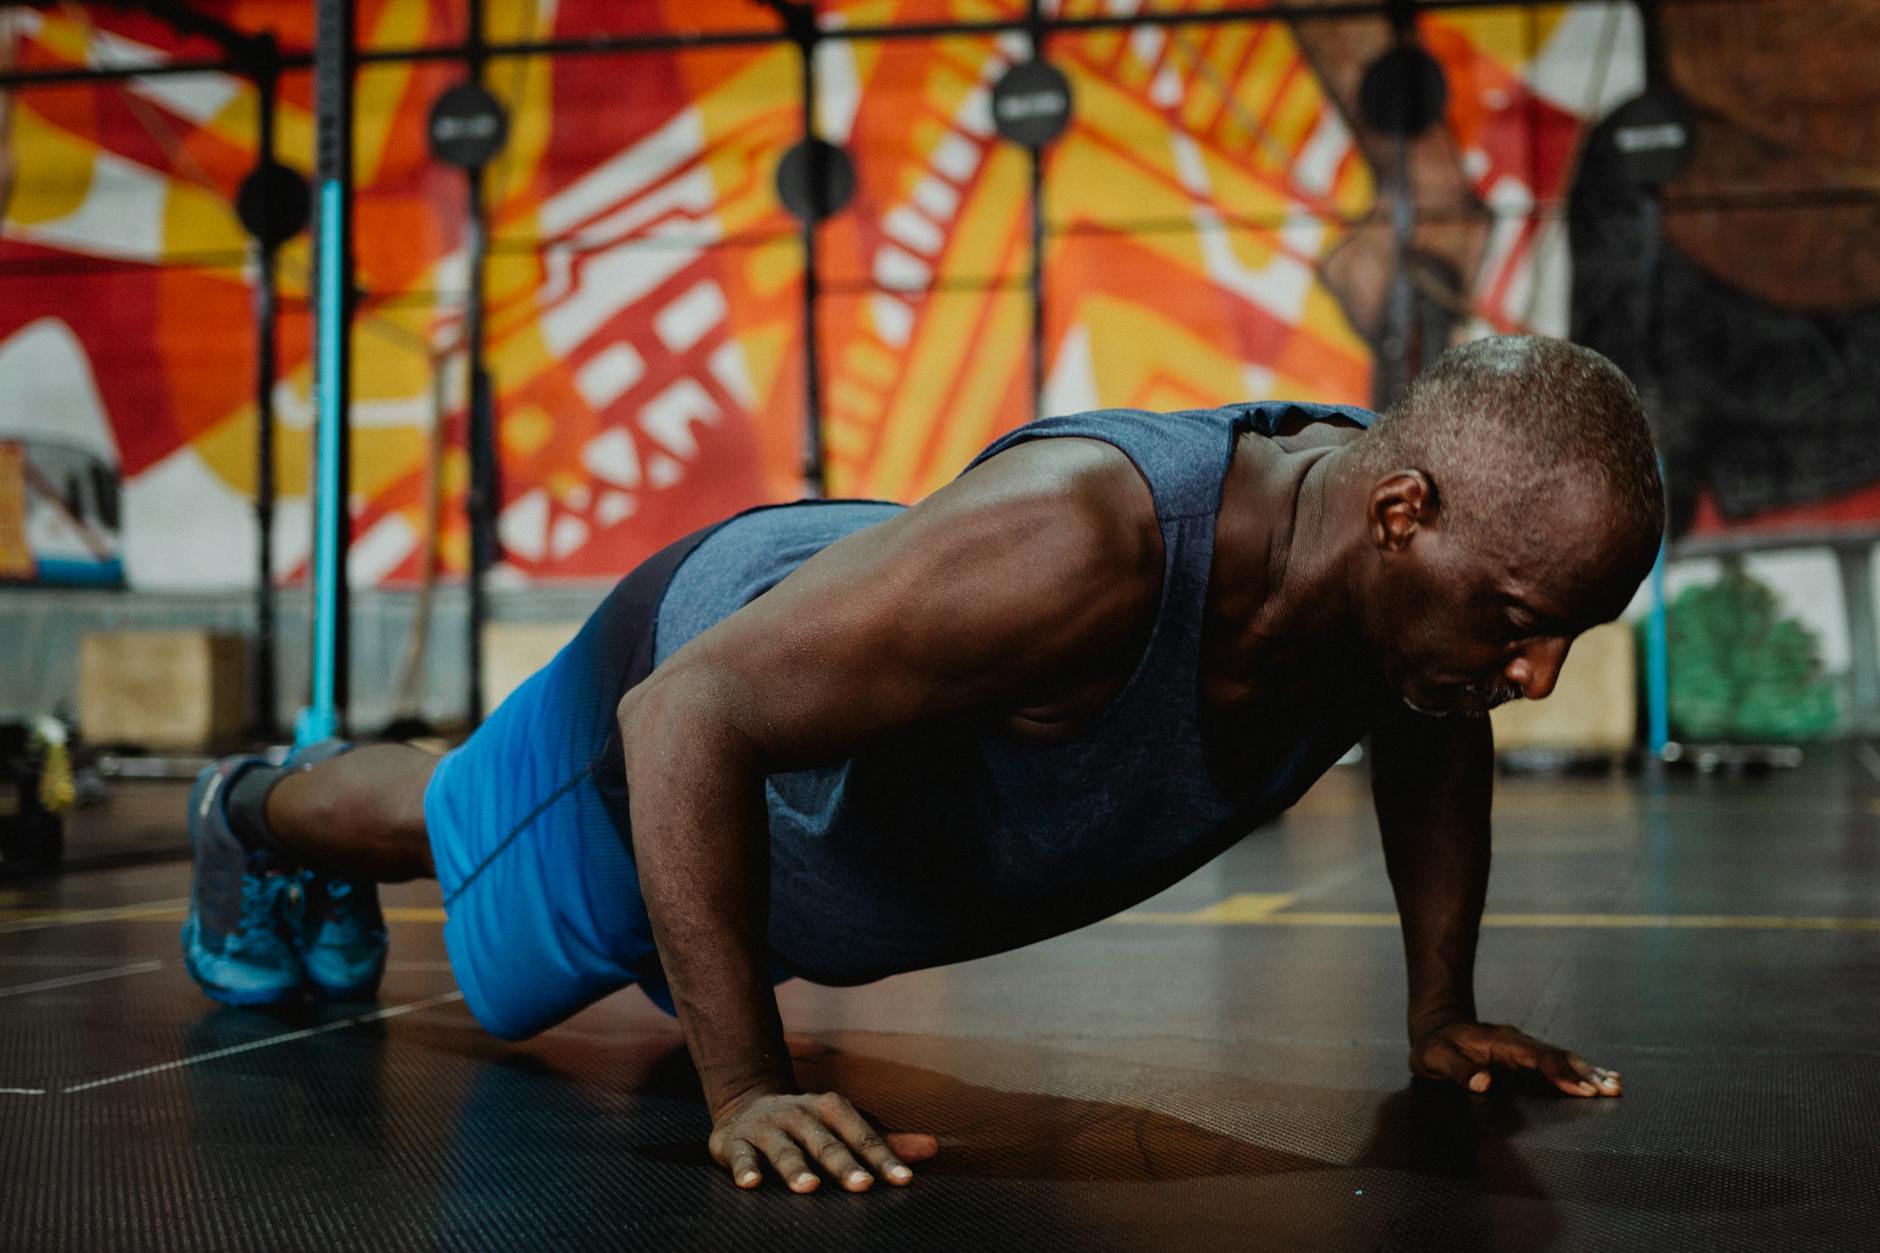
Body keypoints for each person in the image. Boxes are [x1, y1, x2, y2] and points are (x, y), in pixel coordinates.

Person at [181, 335, 1661, 1195]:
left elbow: (1431, 733)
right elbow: (685, 719)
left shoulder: (1401, 600)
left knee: (554, 867)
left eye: (1568, 638)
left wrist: (1439, 1007)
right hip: (679, 719)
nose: (1537, 676)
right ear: (1401, 514)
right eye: (1522, 624)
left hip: (813, 786)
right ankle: (248, 811)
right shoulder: (1091, 539)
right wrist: (745, 1088)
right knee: (454, 831)